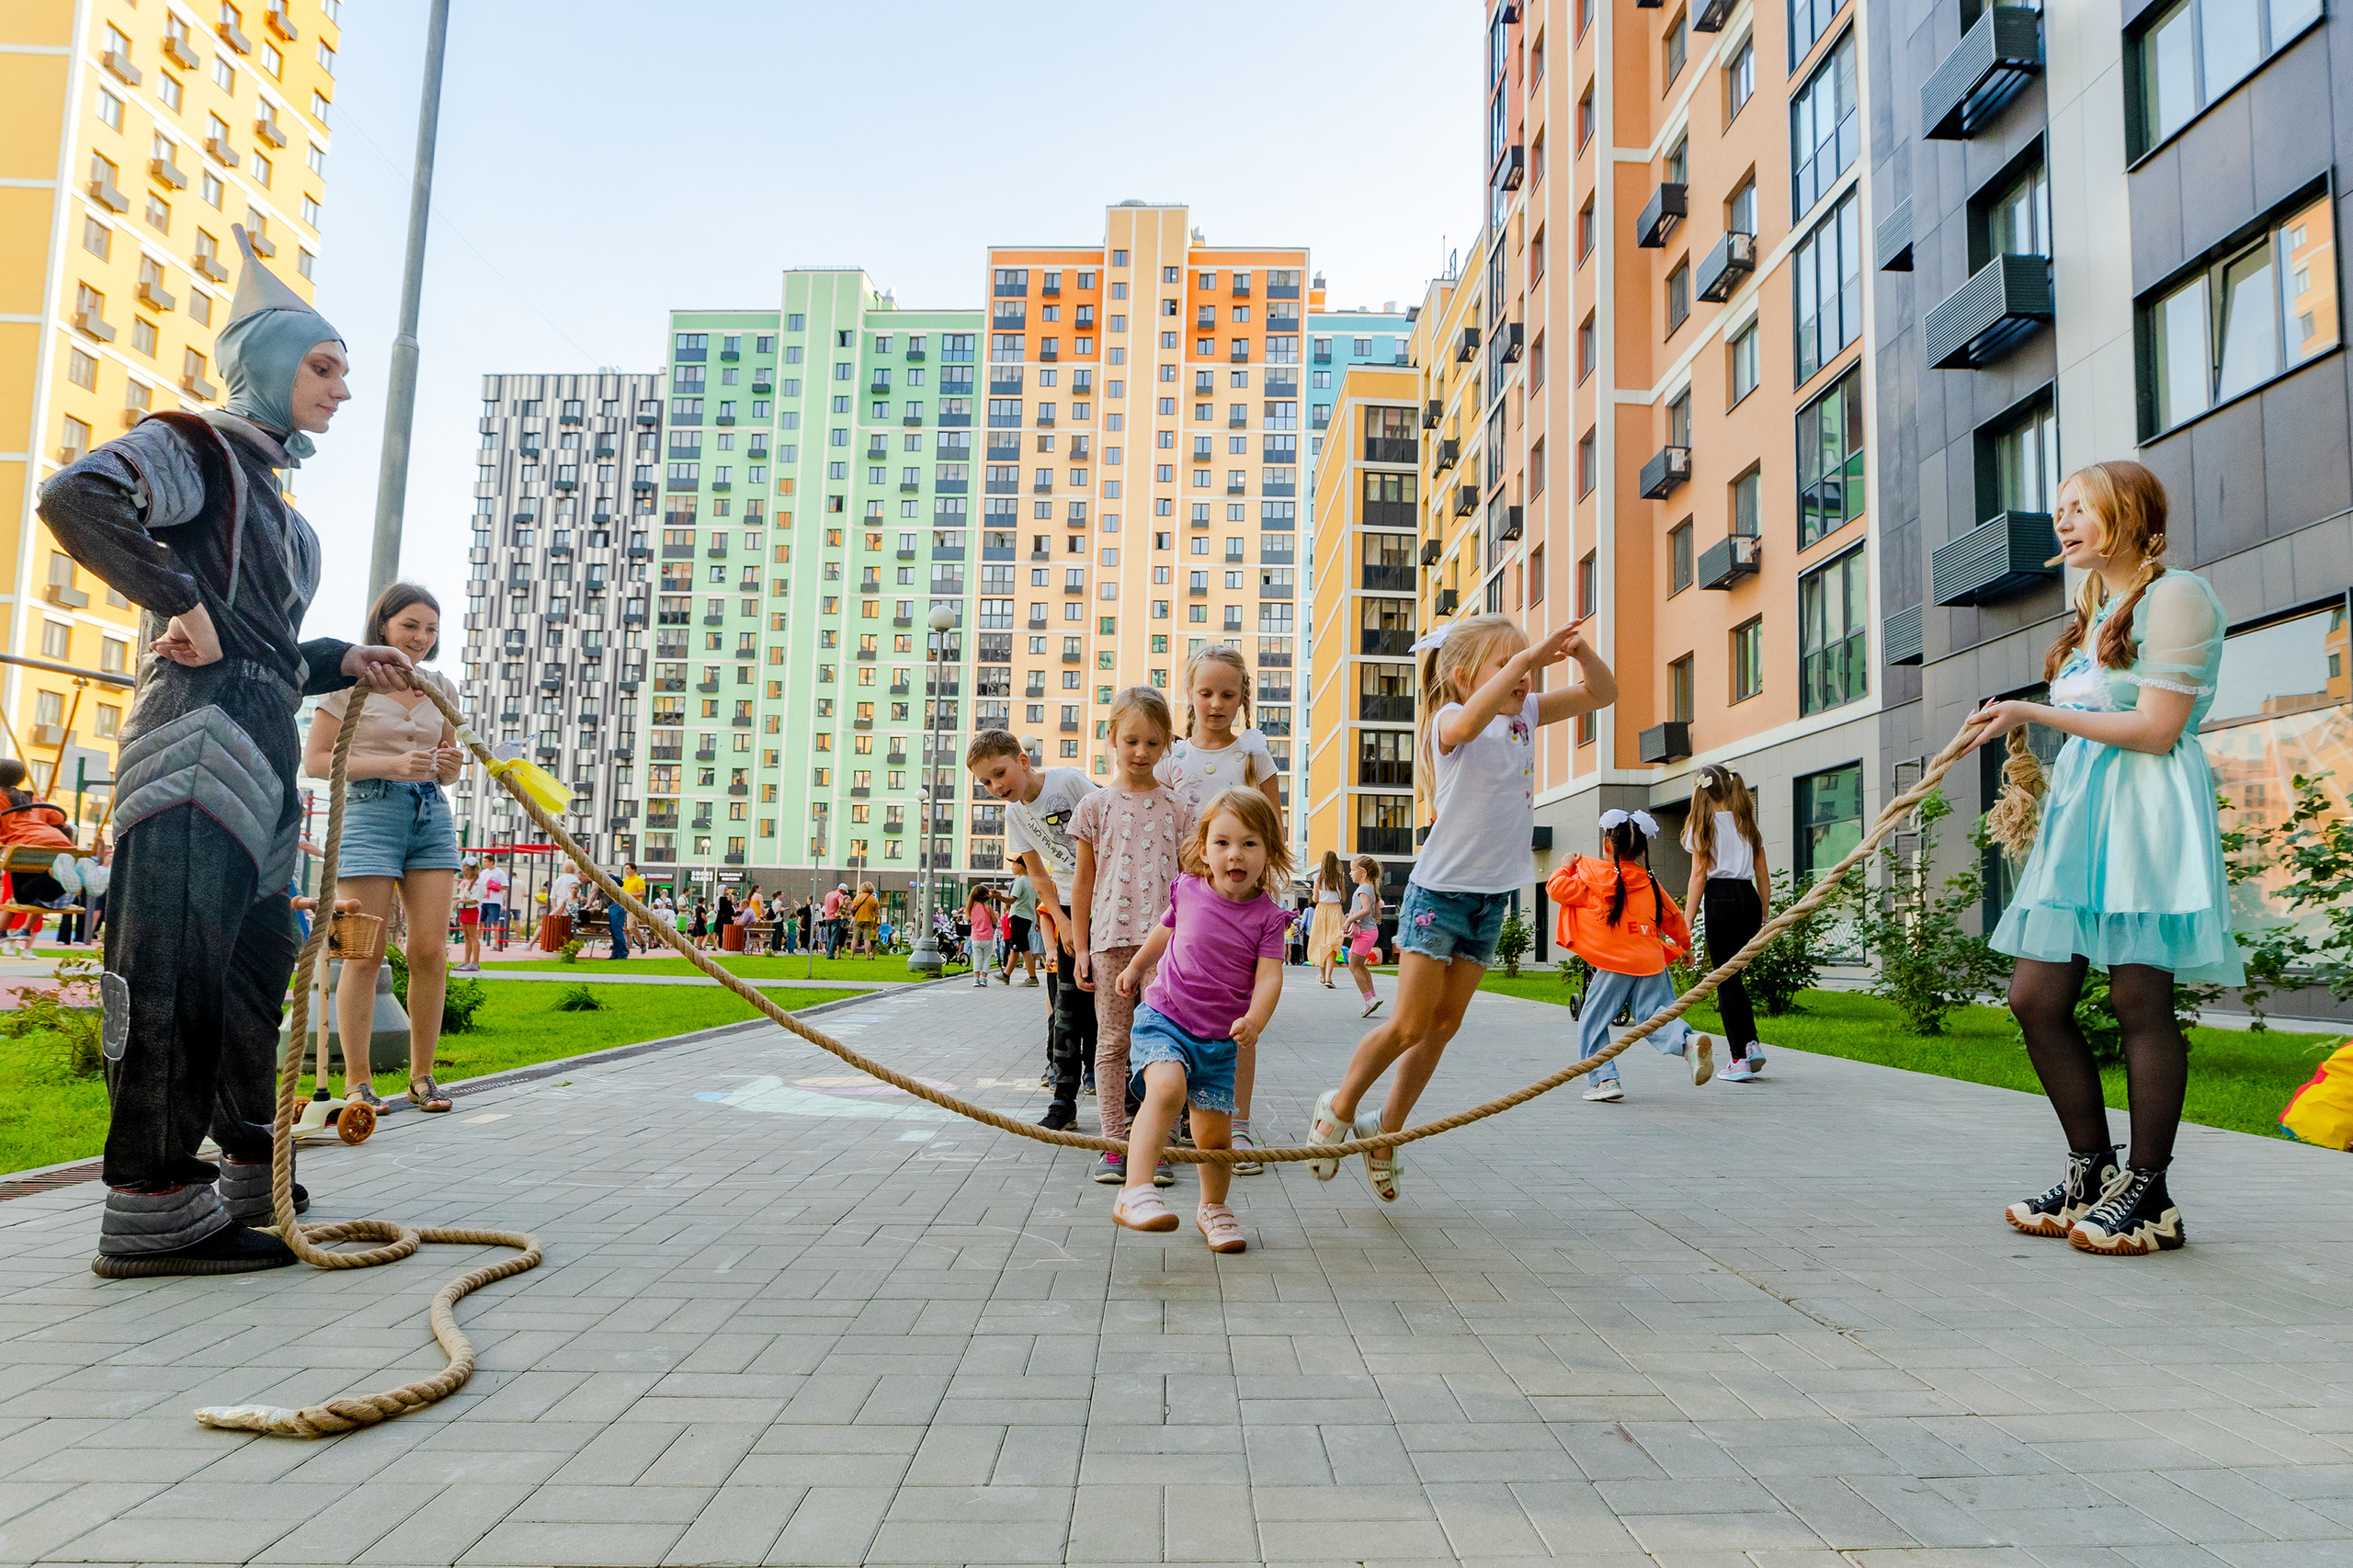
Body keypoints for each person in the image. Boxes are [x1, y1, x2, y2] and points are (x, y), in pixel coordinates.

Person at [39, 224, 417, 1274]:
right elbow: (76, 495)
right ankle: (152, 1200)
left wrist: (346, 655)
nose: (340, 388)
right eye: (323, 366)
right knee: (166, 975)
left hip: (261, 769)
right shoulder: (193, 444)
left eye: (344, 369)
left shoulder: (293, 524)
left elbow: (267, 653)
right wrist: (178, 597)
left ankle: (253, 1168)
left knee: (251, 977)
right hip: (190, 761)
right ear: (263, 364)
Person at [1970, 460, 2237, 1257]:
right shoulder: (2096, 610)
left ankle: (2150, 1196)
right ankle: (2091, 1171)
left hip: (2145, 815)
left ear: (2128, 512)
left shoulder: (2177, 595)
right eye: (2059, 511)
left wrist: (2033, 708)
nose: (2064, 522)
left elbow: (2158, 728)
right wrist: (2030, 718)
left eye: (2079, 508)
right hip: (2086, 818)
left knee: (2138, 1002)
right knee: (2035, 997)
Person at [1306, 612, 1616, 1203]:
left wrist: (1578, 653)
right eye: (1507, 665)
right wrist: (1528, 662)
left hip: (1490, 897)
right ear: (1463, 675)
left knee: (1444, 1027)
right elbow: (1472, 720)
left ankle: (1385, 1132)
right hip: (1440, 895)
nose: (1523, 677)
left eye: (1524, 663)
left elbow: (1602, 693)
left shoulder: (1525, 714)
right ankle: (1340, 1105)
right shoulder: (1449, 721)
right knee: (1409, 1024)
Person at [1109, 787, 1292, 1251]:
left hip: (1218, 1041)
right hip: (1165, 1018)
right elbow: (1163, 931)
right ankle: (1136, 1191)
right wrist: (1135, 966)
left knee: (1214, 1138)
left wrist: (1256, 1019)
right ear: (1205, 848)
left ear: (1269, 851)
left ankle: (1213, 1208)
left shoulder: (1269, 918)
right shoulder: (1188, 889)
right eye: (1223, 843)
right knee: (1167, 1090)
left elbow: (1270, 979)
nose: (1236, 854)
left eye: (1250, 843)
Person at [304, 583, 462, 1118]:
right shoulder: (347, 685)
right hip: (367, 814)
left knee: (429, 950)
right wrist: (390, 766)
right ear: (384, 627)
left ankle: (423, 1077)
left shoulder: (440, 686)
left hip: (429, 815)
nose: (421, 637)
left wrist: (449, 768)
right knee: (363, 953)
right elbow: (317, 761)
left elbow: (447, 758)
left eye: (431, 629)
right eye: (410, 625)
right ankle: (358, 1082)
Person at [1155, 646, 1287, 1161]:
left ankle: (1237, 1122)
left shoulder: (1253, 756)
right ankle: (1172, 1116)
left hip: (1241, 907)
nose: (1216, 704)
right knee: (1175, 1009)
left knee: (1239, 1019)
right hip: (1188, 902)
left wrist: (1266, 899)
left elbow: (1271, 827)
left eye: (1228, 694)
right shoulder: (1173, 758)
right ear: (1189, 695)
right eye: (1205, 693)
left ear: (1242, 699)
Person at [1070, 687, 1194, 1187]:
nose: (1140, 752)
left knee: (1162, 1045)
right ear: (1112, 740)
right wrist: (1079, 947)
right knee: (1112, 1043)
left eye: (1151, 742)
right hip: (1110, 943)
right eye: (1131, 741)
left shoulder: (1181, 810)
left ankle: (1155, 1145)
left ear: (1165, 744)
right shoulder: (1094, 807)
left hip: (1166, 948)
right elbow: (1082, 882)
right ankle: (1114, 1143)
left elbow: (1192, 883)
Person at [968, 729, 1098, 1131]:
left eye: (999, 774)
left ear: (1023, 761)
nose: (995, 787)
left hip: (1108, 901)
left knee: (1111, 1005)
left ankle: (1132, 1099)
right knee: (1066, 1008)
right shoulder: (1014, 815)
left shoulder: (1068, 781)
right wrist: (1063, 923)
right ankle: (1063, 1099)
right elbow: (1038, 874)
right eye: (986, 782)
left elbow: (1113, 822)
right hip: (1068, 908)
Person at [1550, 811, 1716, 1103]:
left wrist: (1565, 866)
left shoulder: (1594, 878)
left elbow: (1556, 889)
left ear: (1607, 845)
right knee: (1656, 1015)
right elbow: (1672, 917)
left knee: (1592, 1020)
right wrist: (1685, 944)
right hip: (1650, 959)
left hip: (1614, 963)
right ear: (1643, 849)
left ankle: (1604, 1079)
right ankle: (1687, 1042)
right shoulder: (1649, 882)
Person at [1683, 764, 1772, 1083]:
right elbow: (1763, 874)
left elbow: (1697, 876)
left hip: (1720, 899)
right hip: (1748, 899)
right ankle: (1750, 1045)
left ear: (1701, 792)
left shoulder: (1703, 825)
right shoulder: (1747, 823)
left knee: (1725, 979)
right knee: (1734, 978)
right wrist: (1764, 913)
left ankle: (1739, 1058)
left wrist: (1687, 921)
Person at [1339, 855, 1386, 1017]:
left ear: (1363, 872)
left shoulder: (1363, 888)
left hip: (1364, 933)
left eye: (1353, 870)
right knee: (1360, 966)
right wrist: (1351, 914)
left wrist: (1349, 920)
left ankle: (1369, 999)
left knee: (1354, 966)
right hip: (1369, 932)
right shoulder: (1369, 887)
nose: (1350, 873)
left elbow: (1366, 910)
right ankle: (1371, 997)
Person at [1308, 851, 1348, 987]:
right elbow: (1343, 898)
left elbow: (1315, 899)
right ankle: (1329, 978)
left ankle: (1322, 976)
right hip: (1335, 910)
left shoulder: (1318, 877)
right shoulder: (1340, 877)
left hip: (1321, 910)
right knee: (1332, 944)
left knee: (1320, 941)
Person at [1002, 870, 1040, 985]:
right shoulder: (1032, 882)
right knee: (1015, 948)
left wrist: (998, 897)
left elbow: (1012, 900)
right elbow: (1037, 902)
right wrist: (1037, 920)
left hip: (1018, 915)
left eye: (1014, 863)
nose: (1012, 867)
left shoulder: (1020, 881)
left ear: (1020, 865)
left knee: (1023, 948)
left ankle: (1032, 977)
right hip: (1027, 916)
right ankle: (1006, 975)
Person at [453, 857, 485, 973]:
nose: (464, 875)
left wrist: (459, 901)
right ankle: (466, 961)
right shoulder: (468, 883)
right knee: (466, 938)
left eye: (466, 873)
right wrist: (454, 898)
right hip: (464, 912)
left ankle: (475, 962)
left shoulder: (479, 884)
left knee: (473, 937)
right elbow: (463, 896)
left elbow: (475, 900)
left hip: (472, 912)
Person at [967, 888, 999, 987]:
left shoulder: (970, 908)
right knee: (986, 958)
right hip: (987, 937)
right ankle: (984, 979)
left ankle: (976, 979)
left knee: (977, 958)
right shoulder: (987, 907)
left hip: (975, 937)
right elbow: (995, 921)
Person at [620, 861, 648, 953]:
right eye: (625, 869)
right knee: (624, 928)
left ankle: (642, 942)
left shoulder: (639, 880)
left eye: (628, 868)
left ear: (633, 870)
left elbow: (643, 893)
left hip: (634, 906)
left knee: (631, 926)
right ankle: (626, 948)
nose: (626, 871)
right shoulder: (624, 881)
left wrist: (631, 895)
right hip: (624, 906)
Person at [480, 859, 508, 949]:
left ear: (492, 862)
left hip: (494, 901)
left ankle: (497, 943)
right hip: (483, 900)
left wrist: (494, 886)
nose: (484, 863)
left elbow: (506, 886)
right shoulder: (483, 873)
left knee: (495, 922)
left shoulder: (499, 873)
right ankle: (478, 940)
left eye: (486, 861)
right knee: (480, 921)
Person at [851, 881, 881, 956]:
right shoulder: (874, 900)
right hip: (869, 920)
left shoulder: (858, 897)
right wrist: (876, 923)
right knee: (867, 939)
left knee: (855, 938)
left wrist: (853, 912)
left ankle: (852, 956)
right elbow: (877, 914)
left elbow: (852, 908)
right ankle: (868, 956)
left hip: (858, 919)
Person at [820, 882, 847, 959]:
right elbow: (841, 903)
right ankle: (830, 954)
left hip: (827, 918)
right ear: (843, 890)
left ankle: (828, 951)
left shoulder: (828, 894)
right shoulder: (839, 895)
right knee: (834, 936)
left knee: (829, 936)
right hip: (835, 918)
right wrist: (839, 908)